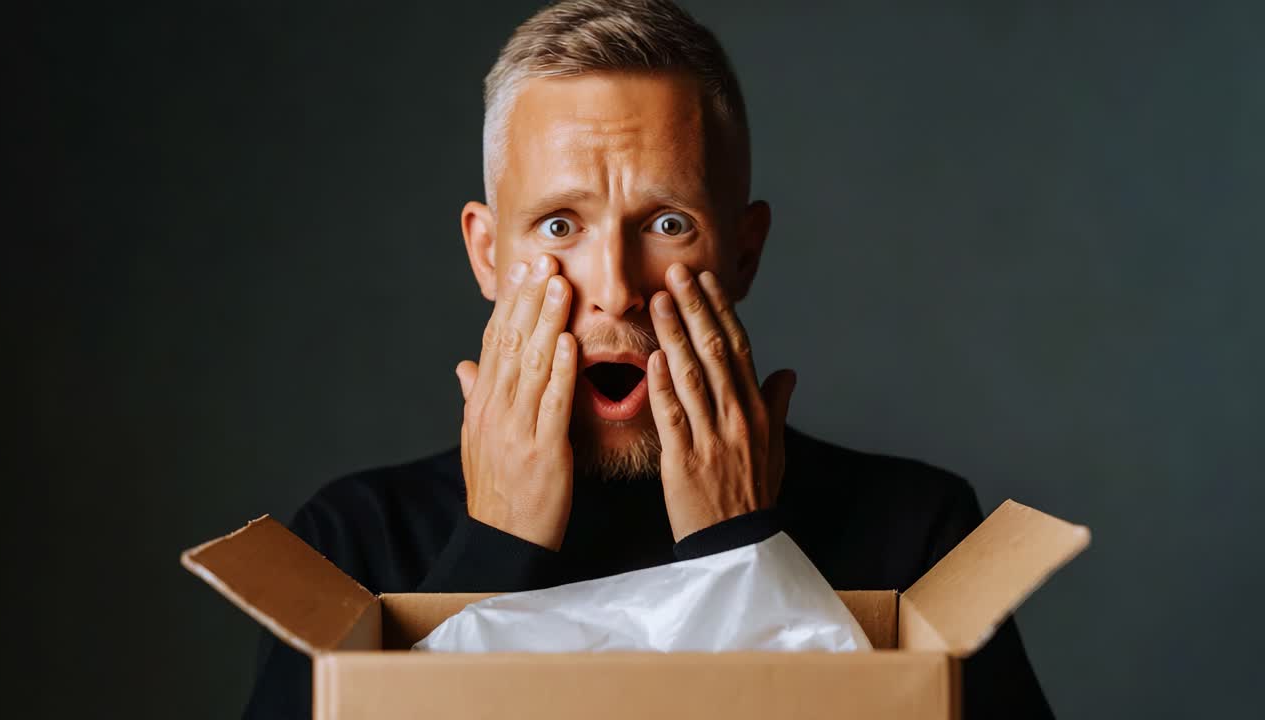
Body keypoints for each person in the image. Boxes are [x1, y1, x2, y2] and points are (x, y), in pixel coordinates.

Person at [244, 1, 1054, 717]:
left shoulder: (916, 535)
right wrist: (491, 553)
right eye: (560, 226)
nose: (616, 289)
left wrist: (740, 556)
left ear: (744, 252)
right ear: (488, 255)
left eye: (667, 224)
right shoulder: (350, 548)